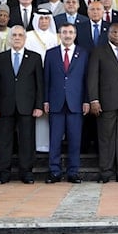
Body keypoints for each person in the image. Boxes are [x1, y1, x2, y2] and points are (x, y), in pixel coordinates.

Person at [0, 27, 44, 184]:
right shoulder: (0, 58)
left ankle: (26, 172)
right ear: (10, 38)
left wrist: (39, 105)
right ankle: (3, 173)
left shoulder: (34, 58)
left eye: (20, 35)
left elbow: (39, 84)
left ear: (25, 38)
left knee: (27, 141)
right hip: (5, 106)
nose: (17, 38)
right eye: (14, 35)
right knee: (4, 141)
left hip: (27, 106)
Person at [88, 24, 118, 183]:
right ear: (108, 34)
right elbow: (92, 77)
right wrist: (94, 99)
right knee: (106, 137)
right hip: (106, 101)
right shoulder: (99, 51)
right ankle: (106, 171)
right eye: (114, 32)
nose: (117, 35)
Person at [43, 23, 90, 183]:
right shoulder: (51, 54)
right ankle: (54, 171)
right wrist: (46, 100)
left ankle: (73, 172)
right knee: (55, 140)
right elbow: (46, 79)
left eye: (71, 32)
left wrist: (86, 100)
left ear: (75, 35)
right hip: (56, 102)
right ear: (59, 35)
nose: (68, 35)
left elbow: (86, 79)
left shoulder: (83, 53)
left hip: (76, 102)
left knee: (75, 139)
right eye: (64, 32)